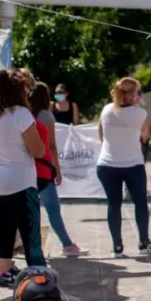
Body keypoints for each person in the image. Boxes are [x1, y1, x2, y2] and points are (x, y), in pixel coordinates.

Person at [0, 69, 47, 301]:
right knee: (31, 240)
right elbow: (38, 152)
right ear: (17, 90)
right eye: (25, 87)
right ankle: (43, 291)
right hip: (21, 183)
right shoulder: (22, 114)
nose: (28, 91)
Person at [96, 77, 151, 257]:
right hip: (133, 164)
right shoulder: (140, 114)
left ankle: (117, 247)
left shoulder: (106, 109)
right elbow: (145, 136)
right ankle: (143, 242)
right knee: (140, 203)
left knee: (114, 205)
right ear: (132, 95)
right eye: (137, 92)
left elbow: (101, 135)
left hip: (107, 164)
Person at [30, 82, 89, 257]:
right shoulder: (46, 116)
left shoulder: (24, 115)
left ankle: (33, 247)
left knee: (31, 210)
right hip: (43, 167)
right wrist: (57, 168)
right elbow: (51, 145)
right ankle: (67, 245)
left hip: (26, 167)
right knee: (53, 209)